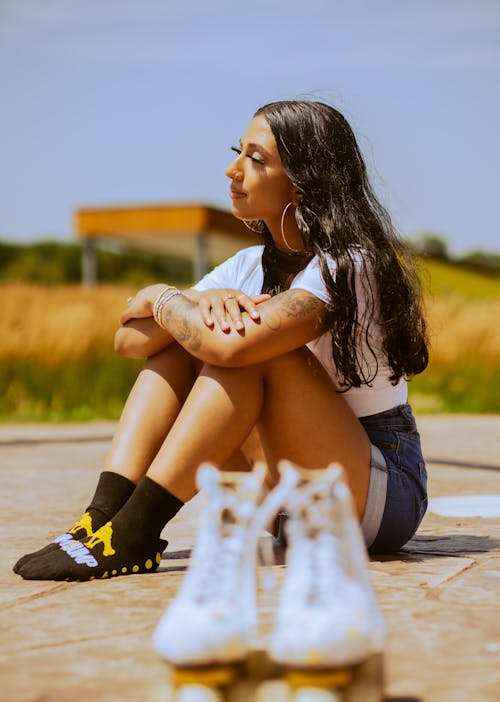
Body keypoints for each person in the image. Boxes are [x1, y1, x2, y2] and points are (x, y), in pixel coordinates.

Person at [14, 100, 429, 582]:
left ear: (302, 180)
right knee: (178, 345)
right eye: (239, 153)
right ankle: (102, 518)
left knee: (256, 355)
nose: (232, 170)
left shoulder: (349, 263)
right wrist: (178, 306)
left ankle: (137, 531)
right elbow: (129, 340)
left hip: (378, 490)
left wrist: (163, 297)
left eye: (256, 159)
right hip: (290, 489)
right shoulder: (248, 265)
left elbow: (233, 350)